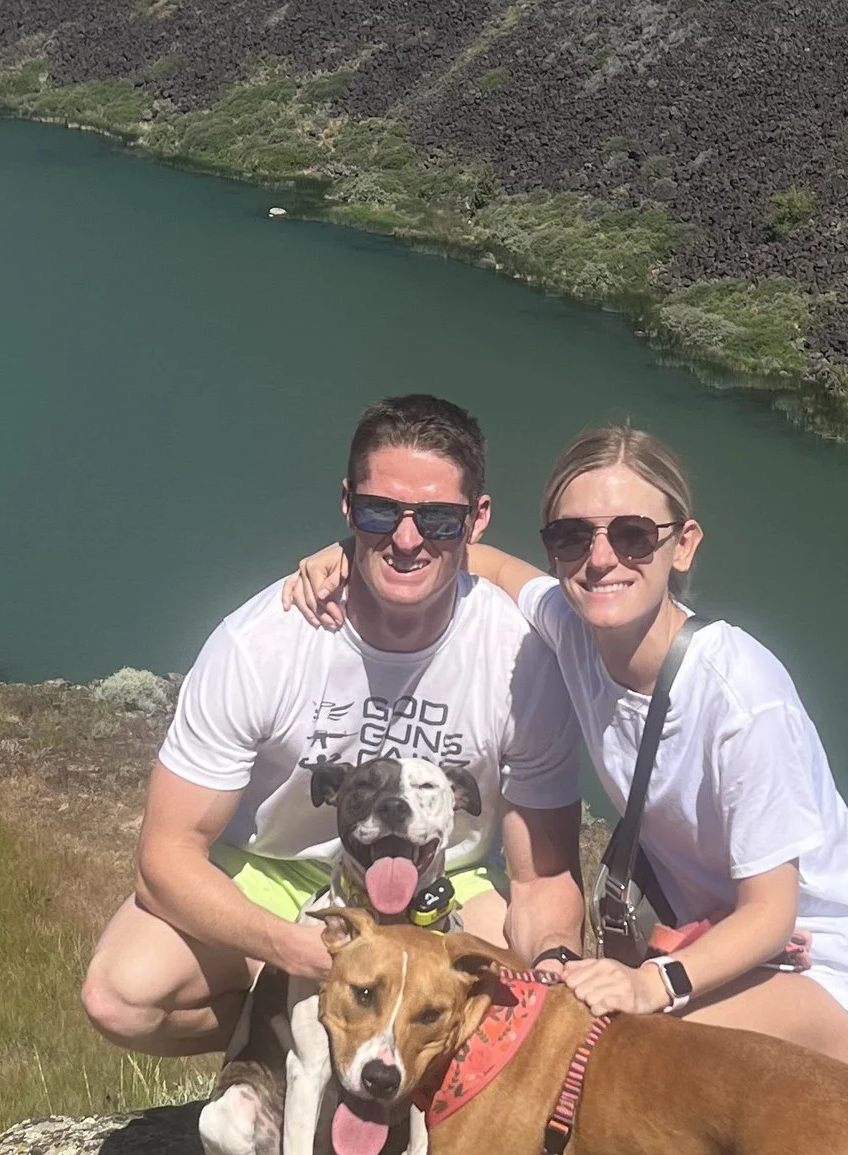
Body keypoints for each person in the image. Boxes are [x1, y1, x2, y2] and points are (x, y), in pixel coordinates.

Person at [287, 420, 848, 1155]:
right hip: (717, 936)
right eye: (572, 536)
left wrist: (651, 983)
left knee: (618, 1056)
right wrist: (347, 551)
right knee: (514, 994)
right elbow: (481, 558)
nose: (600, 559)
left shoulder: (743, 697)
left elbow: (774, 913)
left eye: (632, 535)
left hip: (827, 969)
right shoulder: (576, 626)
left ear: (682, 545)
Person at [82, 394, 585, 1069]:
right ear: (348, 506)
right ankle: (284, 1041)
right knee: (122, 994)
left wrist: (554, 961)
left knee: (534, 1007)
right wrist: (284, 947)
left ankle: (413, 1067)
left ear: (477, 521)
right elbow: (165, 857)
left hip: (442, 879)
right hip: (272, 875)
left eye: (438, 518)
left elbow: (541, 876)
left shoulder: (521, 656)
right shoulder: (261, 642)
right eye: (382, 512)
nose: (407, 539)